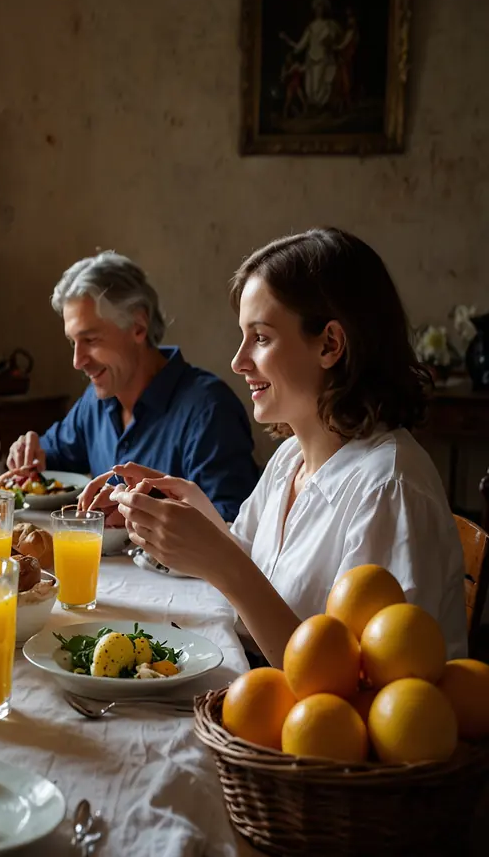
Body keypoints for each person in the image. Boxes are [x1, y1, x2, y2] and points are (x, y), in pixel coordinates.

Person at [96, 228, 466, 664]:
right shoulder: (291, 458)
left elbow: (354, 682)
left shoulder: (389, 489)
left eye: (261, 338)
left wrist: (221, 562)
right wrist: (181, 515)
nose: (238, 362)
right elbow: (254, 570)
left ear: (330, 344)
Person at [5, 252, 258, 522]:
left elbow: (234, 525)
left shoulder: (210, 410)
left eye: (90, 339)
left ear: (138, 326)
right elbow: (49, 459)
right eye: (73, 342)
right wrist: (29, 454)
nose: (77, 361)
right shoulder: (96, 401)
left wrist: (148, 512)